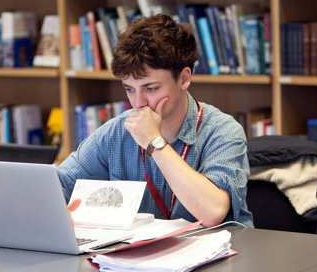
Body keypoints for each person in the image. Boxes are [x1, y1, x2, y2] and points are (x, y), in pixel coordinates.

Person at [58, 14, 253, 228]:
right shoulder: (116, 133)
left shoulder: (222, 131)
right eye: (129, 89)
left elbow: (213, 212)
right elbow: (57, 186)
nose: (139, 103)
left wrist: (154, 141)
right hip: (142, 259)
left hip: (217, 257)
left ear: (184, 78)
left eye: (150, 88)